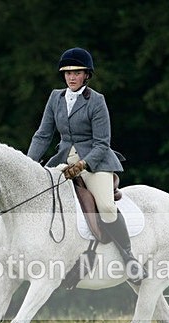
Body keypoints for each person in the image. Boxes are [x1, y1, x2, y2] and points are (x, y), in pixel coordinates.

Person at [27, 47, 147, 283]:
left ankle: (128, 257)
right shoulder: (55, 98)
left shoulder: (97, 101)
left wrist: (83, 164)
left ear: (86, 75)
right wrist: (29, 165)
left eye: (77, 72)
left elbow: (102, 143)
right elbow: (43, 135)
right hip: (62, 159)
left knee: (106, 206)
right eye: (67, 72)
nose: (71, 77)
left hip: (95, 162)